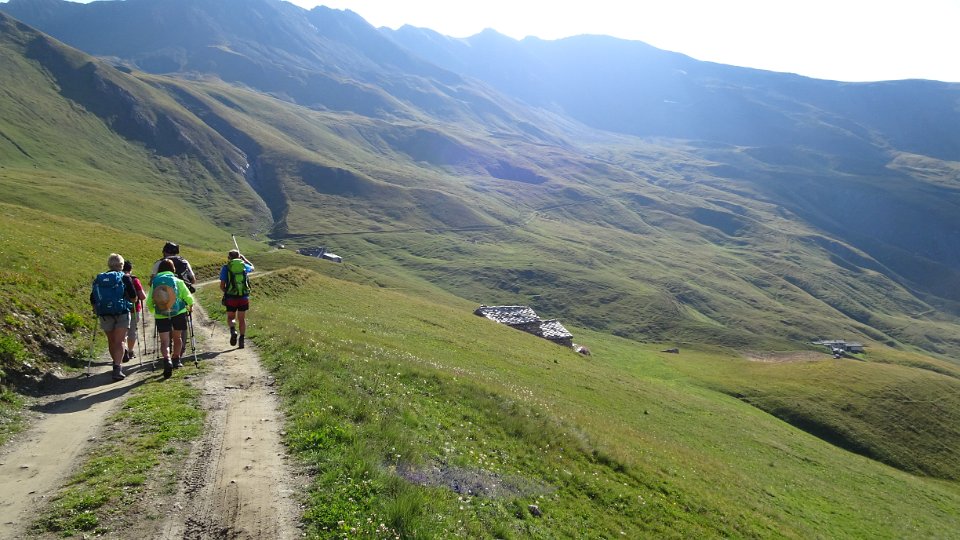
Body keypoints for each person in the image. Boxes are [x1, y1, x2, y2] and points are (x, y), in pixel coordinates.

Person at [90, 253, 138, 381]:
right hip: (122, 312)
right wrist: (131, 300)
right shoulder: (125, 277)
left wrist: (96, 309)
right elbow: (133, 297)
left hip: (105, 314)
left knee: (111, 341)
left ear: (109, 264)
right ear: (122, 265)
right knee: (120, 341)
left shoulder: (100, 279)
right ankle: (117, 367)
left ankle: (115, 363)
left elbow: (93, 297)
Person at [147, 258, 194, 379]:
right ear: (173, 269)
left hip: (161, 314)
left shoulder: (155, 282)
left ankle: (167, 359)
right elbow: (188, 297)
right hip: (178, 312)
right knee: (177, 337)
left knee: (164, 341)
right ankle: (176, 359)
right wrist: (190, 306)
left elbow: (149, 302)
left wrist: (155, 311)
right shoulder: (177, 281)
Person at [150, 241, 196, 354]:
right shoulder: (184, 262)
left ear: (164, 251)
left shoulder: (159, 263)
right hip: (181, 300)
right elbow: (193, 279)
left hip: (163, 299)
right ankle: (181, 349)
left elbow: (152, 282)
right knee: (181, 324)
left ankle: (168, 347)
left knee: (165, 321)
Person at [220, 250, 254, 349]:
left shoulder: (226, 267)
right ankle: (241, 340)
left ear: (229, 258)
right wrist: (244, 259)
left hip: (231, 297)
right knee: (242, 319)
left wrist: (227, 292)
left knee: (231, 318)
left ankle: (233, 330)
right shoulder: (244, 266)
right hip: (243, 297)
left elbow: (222, 286)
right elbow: (252, 267)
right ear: (239, 257)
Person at [122, 259, 148, 362]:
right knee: (132, 331)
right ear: (130, 269)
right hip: (133, 309)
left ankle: (123, 350)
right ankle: (130, 351)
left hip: (120, 310)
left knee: (122, 332)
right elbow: (142, 296)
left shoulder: (116, 279)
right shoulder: (134, 280)